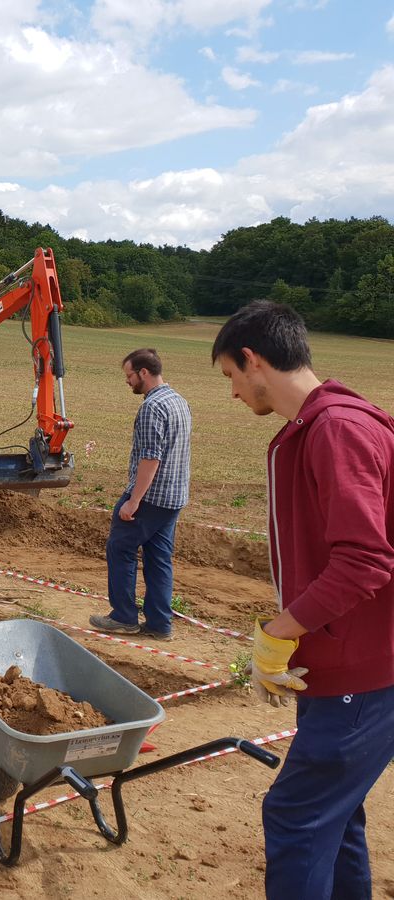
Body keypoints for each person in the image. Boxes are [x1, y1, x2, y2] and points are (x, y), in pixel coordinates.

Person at [211, 300, 394, 899]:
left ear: (252, 359)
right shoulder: (316, 427)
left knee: (295, 817)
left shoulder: (337, 430)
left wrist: (280, 630)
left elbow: (365, 561)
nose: (234, 394)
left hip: (361, 678)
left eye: (230, 377)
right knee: (336, 820)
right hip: (344, 668)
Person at [90, 349, 191, 641]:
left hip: (150, 498)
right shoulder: (179, 401)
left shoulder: (152, 408)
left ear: (144, 373)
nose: (128, 381)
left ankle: (124, 617)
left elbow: (151, 458)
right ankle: (160, 624)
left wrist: (134, 501)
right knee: (159, 558)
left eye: (129, 375)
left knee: (120, 548)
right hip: (174, 498)